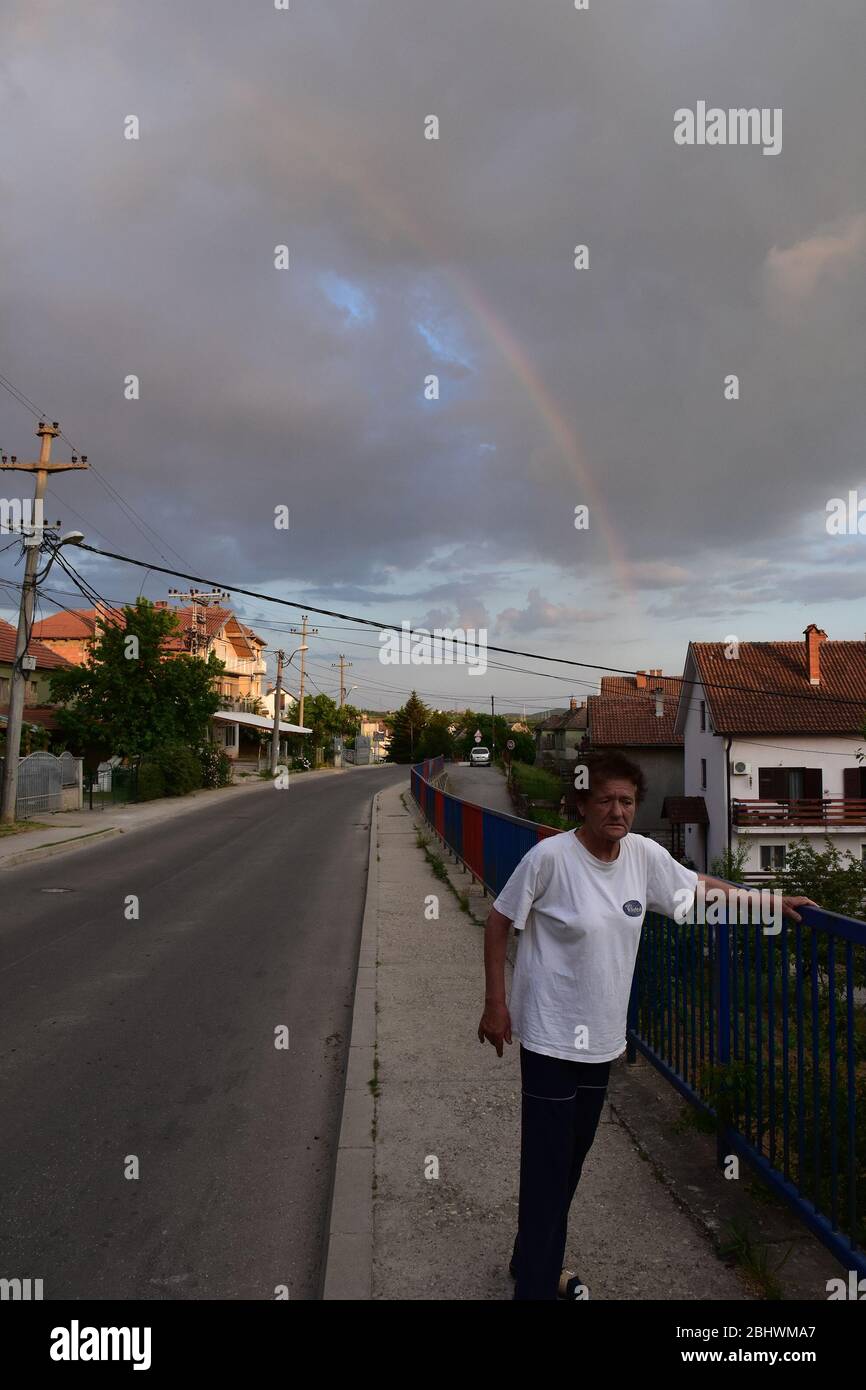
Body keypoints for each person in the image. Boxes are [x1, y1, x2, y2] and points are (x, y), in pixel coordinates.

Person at [477, 750, 815, 1301]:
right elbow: (498, 920)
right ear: (582, 803)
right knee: (546, 1167)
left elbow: (698, 887)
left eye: (627, 801)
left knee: (569, 1166)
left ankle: (531, 1259)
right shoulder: (550, 858)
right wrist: (496, 1003)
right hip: (549, 1035)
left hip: (603, 1036)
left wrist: (768, 902)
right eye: (606, 799)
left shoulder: (642, 856)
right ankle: (535, 1287)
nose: (618, 810)